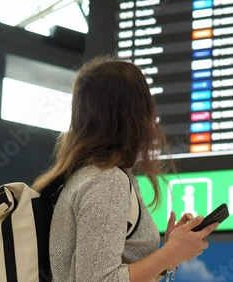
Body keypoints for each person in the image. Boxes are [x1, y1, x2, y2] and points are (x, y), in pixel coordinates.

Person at [32, 56, 219, 282]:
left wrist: (171, 255)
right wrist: (169, 253)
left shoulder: (90, 176)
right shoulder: (106, 181)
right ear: (135, 115)